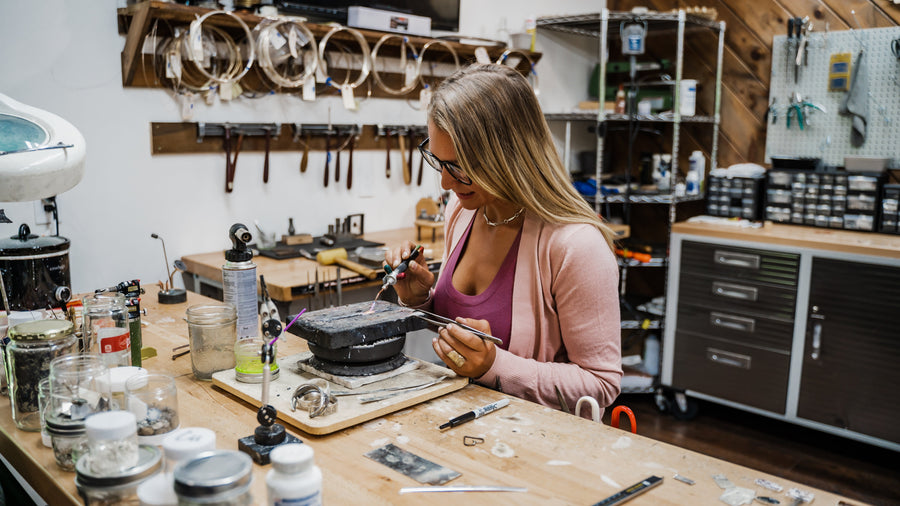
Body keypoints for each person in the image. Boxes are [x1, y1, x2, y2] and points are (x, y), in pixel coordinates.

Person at [386, 63, 622, 415]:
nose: (446, 184)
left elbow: (601, 384)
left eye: (459, 168)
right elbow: (463, 328)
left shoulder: (575, 245)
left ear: (507, 158)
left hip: (531, 445)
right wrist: (421, 300)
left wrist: (495, 366)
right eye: (439, 162)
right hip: (456, 422)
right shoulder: (462, 209)